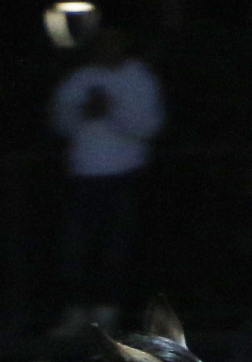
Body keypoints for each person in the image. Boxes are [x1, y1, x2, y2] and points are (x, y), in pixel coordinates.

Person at [46, 27, 163, 337]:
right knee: (75, 248)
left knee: (116, 249)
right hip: (83, 177)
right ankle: (76, 313)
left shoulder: (139, 78)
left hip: (124, 175)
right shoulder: (79, 78)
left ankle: (108, 314)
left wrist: (112, 110)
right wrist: (83, 111)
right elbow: (59, 122)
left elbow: (150, 126)